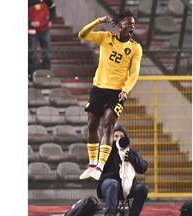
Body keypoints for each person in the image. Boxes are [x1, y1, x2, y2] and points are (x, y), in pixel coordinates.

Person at [78, 9, 143, 181]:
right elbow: (82, 34)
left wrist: (125, 90)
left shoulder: (135, 48)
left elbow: (135, 73)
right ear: (121, 25)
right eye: (130, 24)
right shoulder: (106, 38)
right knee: (92, 124)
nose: (133, 27)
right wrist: (98, 21)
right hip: (98, 89)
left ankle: (100, 166)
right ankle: (92, 164)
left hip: (117, 92)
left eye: (134, 24)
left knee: (108, 124)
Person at [97, 125, 148, 216]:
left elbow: (143, 168)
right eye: (116, 136)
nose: (118, 139)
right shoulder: (105, 151)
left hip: (126, 186)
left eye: (121, 137)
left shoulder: (130, 152)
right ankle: (110, 214)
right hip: (108, 184)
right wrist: (113, 151)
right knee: (113, 184)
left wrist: (134, 160)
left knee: (143, 188)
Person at [28, 0, 56, 81]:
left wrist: (51, 19)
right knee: (32, 53)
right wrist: (30, 23)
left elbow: (53, 7)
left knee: (47, 53)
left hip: (44, 29)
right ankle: (34, 74)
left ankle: (48, 74)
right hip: (32, 31)